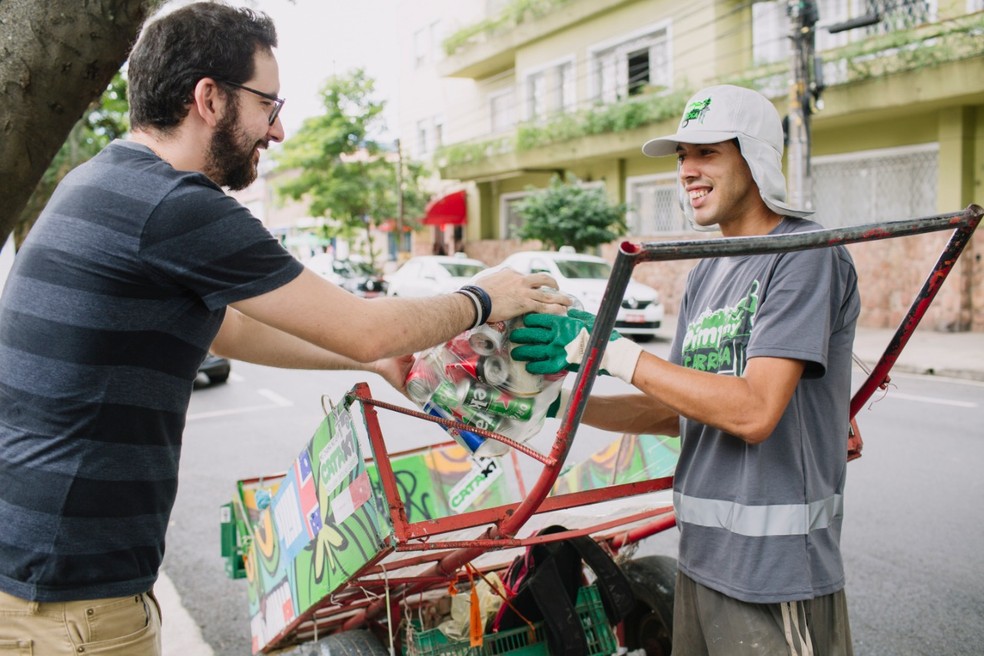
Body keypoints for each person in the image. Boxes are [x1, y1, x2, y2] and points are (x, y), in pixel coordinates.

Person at [0, 4, 569, 655]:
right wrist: (481, 297)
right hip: (71, 606)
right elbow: (364, 326)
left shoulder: (100, 181)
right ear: (208, 98)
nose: (279, 130)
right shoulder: (176, 206)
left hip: (34, 580)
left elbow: (230, 332)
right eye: (268, 105)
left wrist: (377, 364)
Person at [511, 85, 860, 655]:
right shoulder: (707, 273)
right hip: (701, 560)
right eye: (681, 157)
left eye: (707, 153)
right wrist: (557, 402)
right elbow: (674, 409)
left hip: (776, 574)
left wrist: (611, 352)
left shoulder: (805, 255)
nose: (687, 172)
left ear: (754, 156)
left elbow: (753, 411)